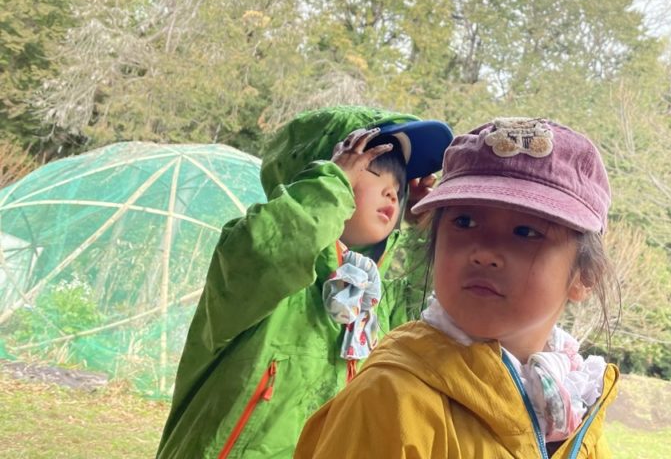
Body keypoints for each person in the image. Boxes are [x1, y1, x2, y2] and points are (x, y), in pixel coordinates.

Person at [295, 116, 620, 459]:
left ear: (585, 276)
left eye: (526, 232)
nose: (484, 252)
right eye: (464, 221)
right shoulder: (392, 401)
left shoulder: (577, 405)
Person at [156, 105, 454, 459]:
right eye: (373, 169)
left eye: (400, 186)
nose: (392, 192)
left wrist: (427, 226)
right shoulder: (255, 268)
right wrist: (331, 183)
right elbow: (274, 247)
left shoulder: (374, 304)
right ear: (320, 171)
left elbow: (437, 305)